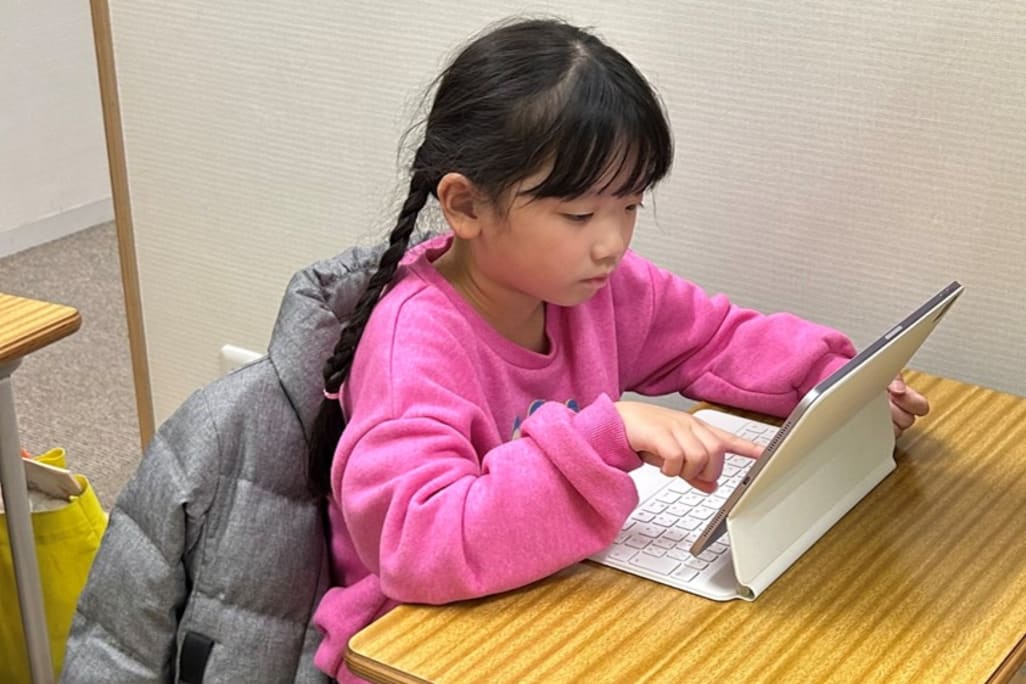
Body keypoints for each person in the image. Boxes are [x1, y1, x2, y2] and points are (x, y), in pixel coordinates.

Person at [308, 17, 929, 682]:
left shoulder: (590, 287)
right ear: (465, 206)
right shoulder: (413, 346)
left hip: (550, 600)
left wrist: (831, 382)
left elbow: (715, 336)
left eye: (629, 206)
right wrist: (608, 433)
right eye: (579, 216)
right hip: (421, 648)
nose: (611, 243)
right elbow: (417, 545)